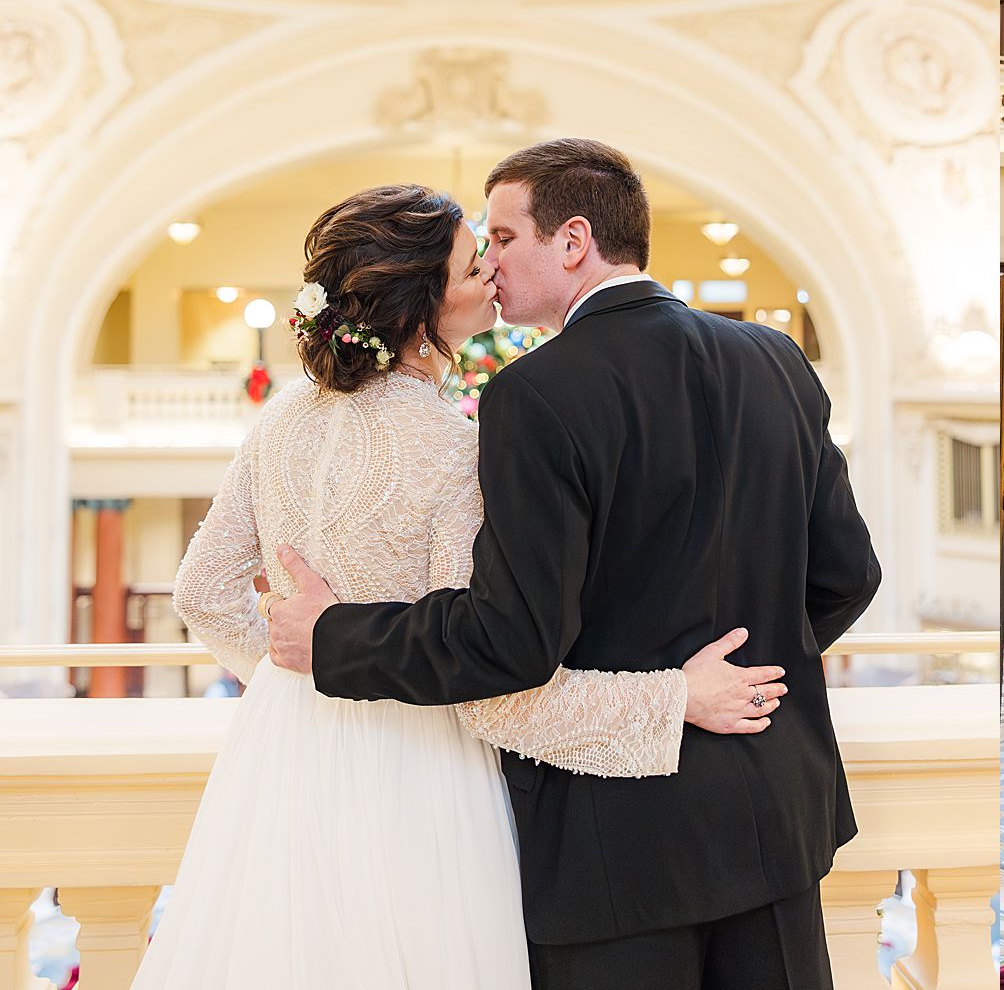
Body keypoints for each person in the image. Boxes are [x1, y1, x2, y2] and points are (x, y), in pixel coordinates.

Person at [267, 138, 881, 989]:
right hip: (774, 815)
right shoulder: (775, 358)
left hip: (614, 849)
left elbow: (511, 641)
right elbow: (849, 575)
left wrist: (334, 635)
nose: (491, 265)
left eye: (504, 238)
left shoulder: (534, 393)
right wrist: (750, 665)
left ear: (573, 240)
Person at [144, 183, 782, 989]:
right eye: (470, 262)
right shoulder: (455, 447)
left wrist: (291, 675)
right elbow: (492, 687)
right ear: (417, 303)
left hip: (282, 757)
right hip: (419, 777)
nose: (490, 272)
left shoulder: (279, 422)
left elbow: (201, 592)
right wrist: (674, 700)